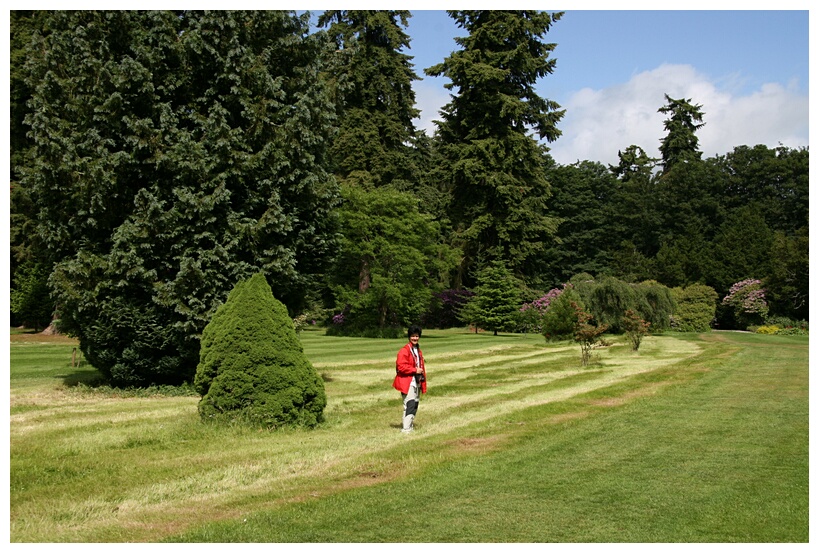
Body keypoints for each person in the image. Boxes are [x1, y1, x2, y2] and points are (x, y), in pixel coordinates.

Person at [393, 325, 427, 433]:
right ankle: (406, 429)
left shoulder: (418, 350)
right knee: (410, 404)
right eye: (413, 336)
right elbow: (400, 367)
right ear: (409, 337)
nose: (415, 338)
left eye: (417, 336)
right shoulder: (404, 351)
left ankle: (409, 426)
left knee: (415, 404)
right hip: (407, 382)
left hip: (416, 381)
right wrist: (414, 370)